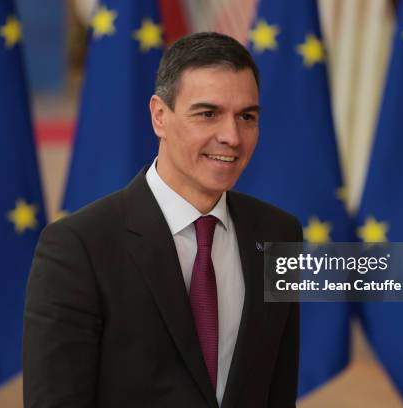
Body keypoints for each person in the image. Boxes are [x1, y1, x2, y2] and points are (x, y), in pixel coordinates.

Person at [23, 32, 301, 408]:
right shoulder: (78, 247)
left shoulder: (279, 234)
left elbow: (277, 391)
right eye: (208, 114)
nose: (232, 137)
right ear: (159, 116)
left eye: (246, 117)